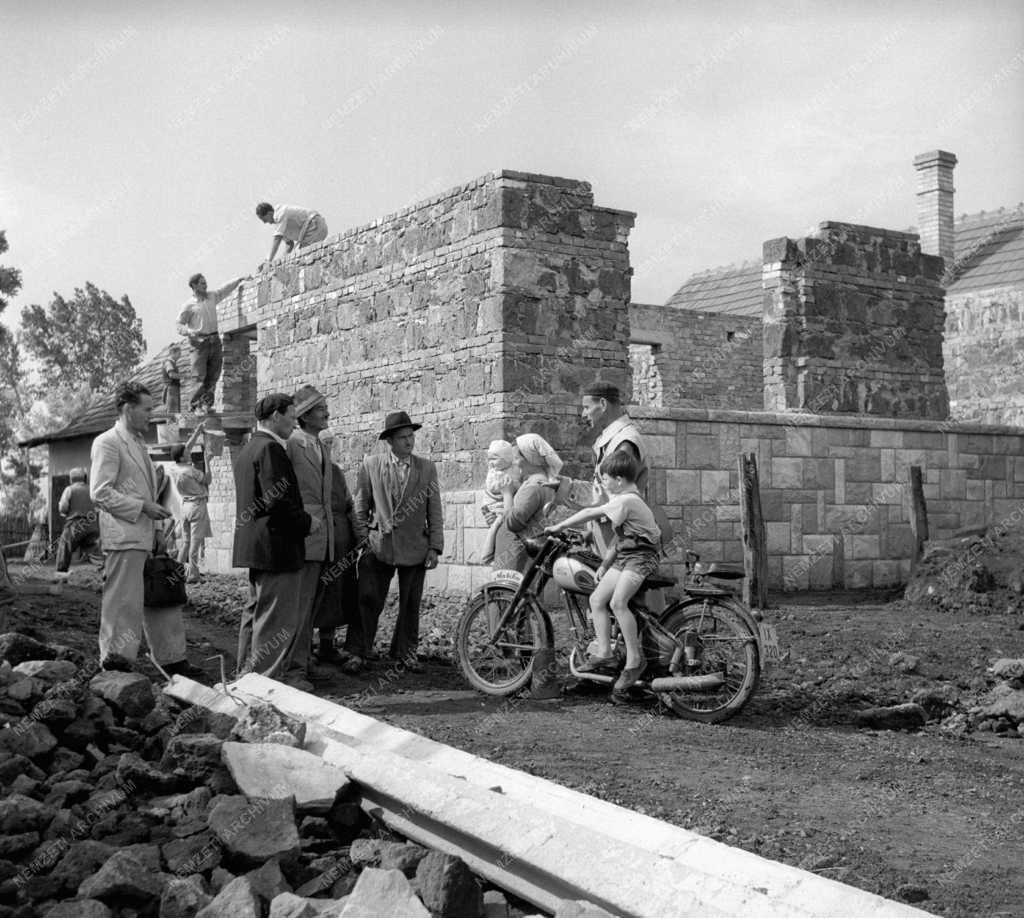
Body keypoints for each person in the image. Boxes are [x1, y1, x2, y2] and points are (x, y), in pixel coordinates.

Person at [90, 381, 199, 677]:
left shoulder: (138, 444)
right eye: (147, 409)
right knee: (123, 604)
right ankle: (116, 667)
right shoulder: (108, 442)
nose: (152, 414)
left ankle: (172, 661)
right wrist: (143, 508)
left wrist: (158, 528)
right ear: (128, 409)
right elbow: (100, 492)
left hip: (147, 536)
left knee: (161, 595)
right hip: (124, 538)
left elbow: (148, 491)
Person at [545, 450, 661, 694]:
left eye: (605, 479)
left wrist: (560, 525)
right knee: (597, 599)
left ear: (619, 480)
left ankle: (634, 659)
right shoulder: (625, 500)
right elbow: (618, 541)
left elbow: (590, 513)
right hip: (626, 556)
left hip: (640, 558)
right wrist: (606, 565)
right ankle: (605, 652)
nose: (603, 484)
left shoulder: (627, 500)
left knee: (619, 603)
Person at [352, 411, 443, 673]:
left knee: (411, 603)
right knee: (368, 598)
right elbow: (360, 505)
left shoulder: (426, 468)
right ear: (389, 441)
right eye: (402, 437)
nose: (409, 441)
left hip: (416, 546)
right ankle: (359, 651)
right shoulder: (372, 465)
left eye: (411, 436)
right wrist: (363, 540)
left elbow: (434, 509)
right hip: (379, 545)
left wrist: (435, 546)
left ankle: (405, 652)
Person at [233, 393, 314, 689]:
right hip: (276, 548)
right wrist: (307, 522)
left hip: (257, 548)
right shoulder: (270, 450)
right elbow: (277, 502)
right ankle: (263, 687)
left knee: (256, 615)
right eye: (292, 416)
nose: (295, 423)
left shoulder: (249, 448)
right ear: (276, 415)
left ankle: (244, 679)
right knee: (275, 621)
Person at [285, 385, 335, 680]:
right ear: (304, 416)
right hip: (304, 535)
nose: (326, 413)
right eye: (320, 409)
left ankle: (302, 661)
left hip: (322, 537)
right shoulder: (293, 443)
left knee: (311, 606)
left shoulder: (319, 444)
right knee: (299, 607)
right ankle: (293, 670)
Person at [487, 434, 563, 573]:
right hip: (516, 552)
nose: (514, 463)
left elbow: (513, 522)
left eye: (517, 458)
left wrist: (507, 494)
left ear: (529, 459)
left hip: (514, 556)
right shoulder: (538, 482)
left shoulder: (533, 486)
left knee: (509, 593)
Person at [315, 455, 363, 672]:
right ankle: (304, 648)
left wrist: (359, 535)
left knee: (337, 592)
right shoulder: (301, 467)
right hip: (317, 539)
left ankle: (327, 643)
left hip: (341, 540)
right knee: (316, 592)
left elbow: (349, 505)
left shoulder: (335, 471)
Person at [176, 272, 246, 413]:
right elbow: (179, 325)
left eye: (205, 282)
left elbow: (224, 289)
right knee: (199, 375)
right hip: (199, 343)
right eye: (202, 283)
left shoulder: (212, 296)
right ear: (194, 286)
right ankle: (195, 406)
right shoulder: (188, 305)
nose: (205, 285)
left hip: (214, 340)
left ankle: (206, 405)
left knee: (213, 375)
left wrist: (238, 279)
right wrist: (190, 333)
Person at [168, 421, 212, 583]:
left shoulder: (175, 468)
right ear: (182, 457)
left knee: (185, 542)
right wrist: (208, 460)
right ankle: (193, 574)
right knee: (195, 542)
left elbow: (185, 447)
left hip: (184, 507)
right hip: (197, 506)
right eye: (186, 453)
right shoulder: (191, 471)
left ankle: (177, 571)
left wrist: (198, 431)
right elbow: (208, 480)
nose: (189, 452)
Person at [480, 440, 520, 565]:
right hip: (496, 505)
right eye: (489, 459)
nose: (491, 463)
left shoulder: (516, 470)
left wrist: (513, 487)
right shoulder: (493, 474)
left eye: (495, 459)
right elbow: (492, 488)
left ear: (507, 459)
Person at [54, 467, 100, 573]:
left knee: (64, 546)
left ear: (71, 479)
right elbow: (98, 506)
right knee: (93, 550)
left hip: (75, 524)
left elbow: (63, 507)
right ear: (84, 478)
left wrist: (65, 513)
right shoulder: (92, 490)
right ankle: (106, 571)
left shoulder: (70, 489)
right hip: (92, 524)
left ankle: (61, 573)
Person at [256, 202, 328, 267]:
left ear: (269, 213)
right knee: (301, 258)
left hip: (315, 225)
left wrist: (268, 261)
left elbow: (277, 239)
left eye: (264, 219)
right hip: (311, 232)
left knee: (303, 257)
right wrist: (282, 261)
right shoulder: (279, 225)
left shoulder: (280, 213)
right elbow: (289, 244)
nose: (265, 222)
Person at [162, 344, 182, 414]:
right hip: (171, 388)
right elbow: (172, 375)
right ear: (173, 353)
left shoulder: (173, 363)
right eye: (179, 353)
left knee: (175, 410)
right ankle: (171, 424)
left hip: (174, 388)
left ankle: (174, 424)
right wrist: (183, 376)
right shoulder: (168, 362)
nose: (180, 356)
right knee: (172, 409)